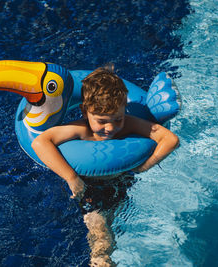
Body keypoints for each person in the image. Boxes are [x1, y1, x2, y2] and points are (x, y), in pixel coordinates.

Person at [31, 66, 179, 266]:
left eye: (117, 119)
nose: (110, 128)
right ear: (85, 111)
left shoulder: (129, 124)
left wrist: (145, 166)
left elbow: (170, 139)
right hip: (89, 188)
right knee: (101, 234)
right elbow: (39, 142)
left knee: (111, 228)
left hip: (122, 182)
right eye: (101, 121)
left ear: (124, 110)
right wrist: (71, 177)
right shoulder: (80, 130)